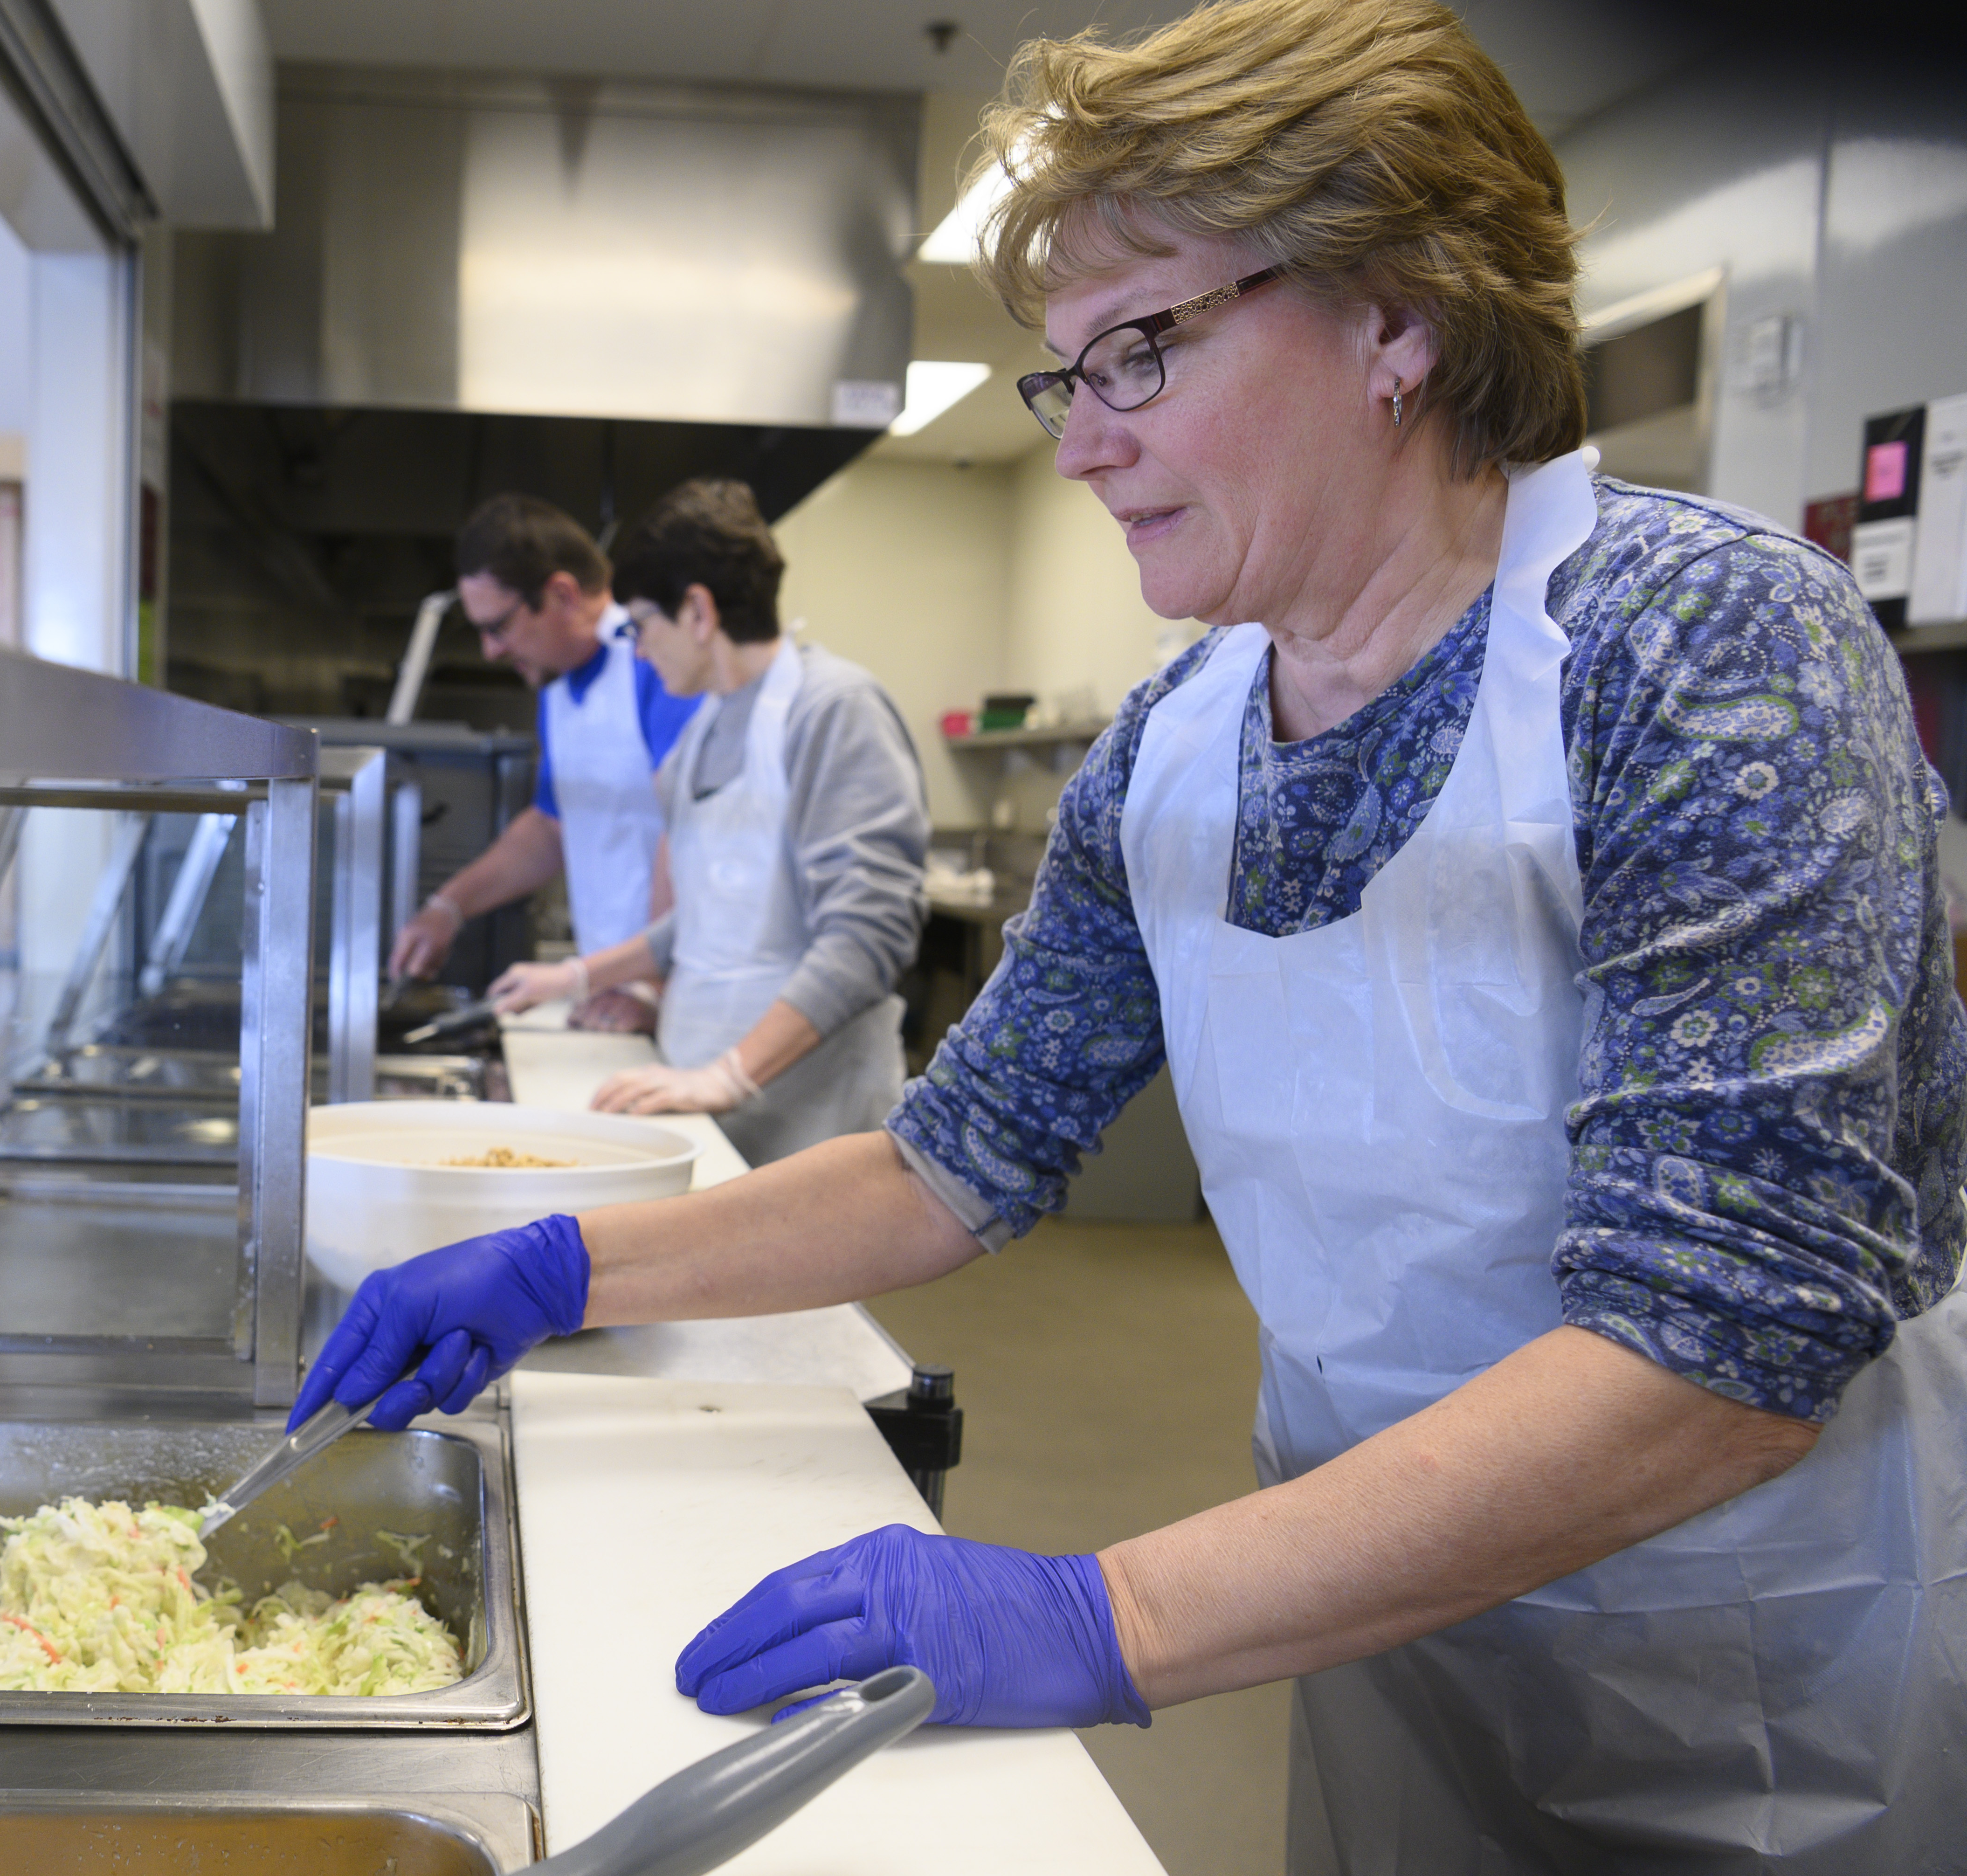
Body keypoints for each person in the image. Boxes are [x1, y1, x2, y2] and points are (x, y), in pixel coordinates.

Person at [290, 2, 1967, 1869]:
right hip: (1369, 1609)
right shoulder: (1173, 743)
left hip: (1756, 1673)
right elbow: (955, 1165)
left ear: (1398, 313)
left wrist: (1113, 1616)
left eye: (1138, 357)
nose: (1084, 449)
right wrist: (561, 1269)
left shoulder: (1704, 649)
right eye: (1060, 379)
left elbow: (1723, 1359)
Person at [489, 479, 928, 1168]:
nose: (636, 653)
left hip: (813, 1121)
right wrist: (575, 977)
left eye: (640, 626)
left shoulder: (834, 712)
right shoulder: (701, 735)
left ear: (697, 611)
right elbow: (708, 918)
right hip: (703, 1102)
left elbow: (868, 937)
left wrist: (731, 1075)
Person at [386, 494, 699, 1033]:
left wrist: (652, 985)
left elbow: (689, 825)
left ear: (562, 593)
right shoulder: (558, 689)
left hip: (681, 997)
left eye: (498, 626)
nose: (490, 650)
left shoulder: (654, 660)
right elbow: (552, 826)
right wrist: (448, 906)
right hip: (615, 995)